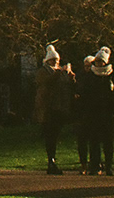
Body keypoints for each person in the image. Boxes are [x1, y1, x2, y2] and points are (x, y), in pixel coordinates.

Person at [73, 46, 114, 176]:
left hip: (108, 112)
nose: (98, 64)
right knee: (94, 141)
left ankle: (109, 166)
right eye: (96, 61)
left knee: (108, 141)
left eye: (100, 61)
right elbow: (84, 93)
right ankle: (95, 166)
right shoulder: (90, 76)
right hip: (93, 113)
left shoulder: (113, 75)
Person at [33, 45, 76, 176]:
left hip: (59, 108)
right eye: (53, 60)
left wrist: (70, 76)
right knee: (50, 135)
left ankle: (52, 160)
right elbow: (45, 82)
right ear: (47, 61)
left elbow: (69, 86)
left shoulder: (59, 72)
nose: (56, 62)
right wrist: (58, 73)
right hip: (48, 109)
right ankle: (51, 161)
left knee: (55, 135)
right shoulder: (43, 72)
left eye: (57, 60)